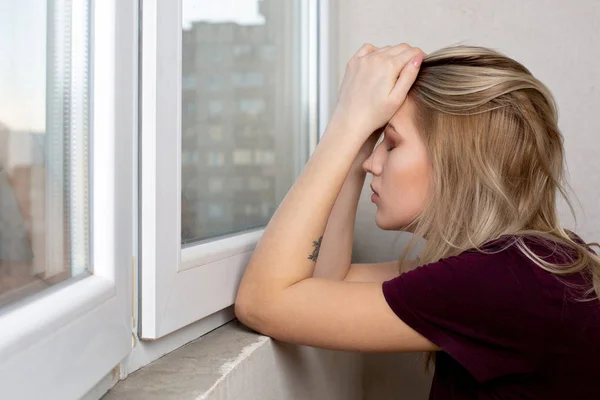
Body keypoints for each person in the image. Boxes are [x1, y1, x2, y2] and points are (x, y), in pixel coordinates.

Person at [234, 43, 600, 399]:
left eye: (390, 144)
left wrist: (346, 124)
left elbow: (262, 303)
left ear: (458, 161)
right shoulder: (527, 264)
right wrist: (360, 137)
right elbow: (325, 282)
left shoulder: (504, 281)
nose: (371, 164)